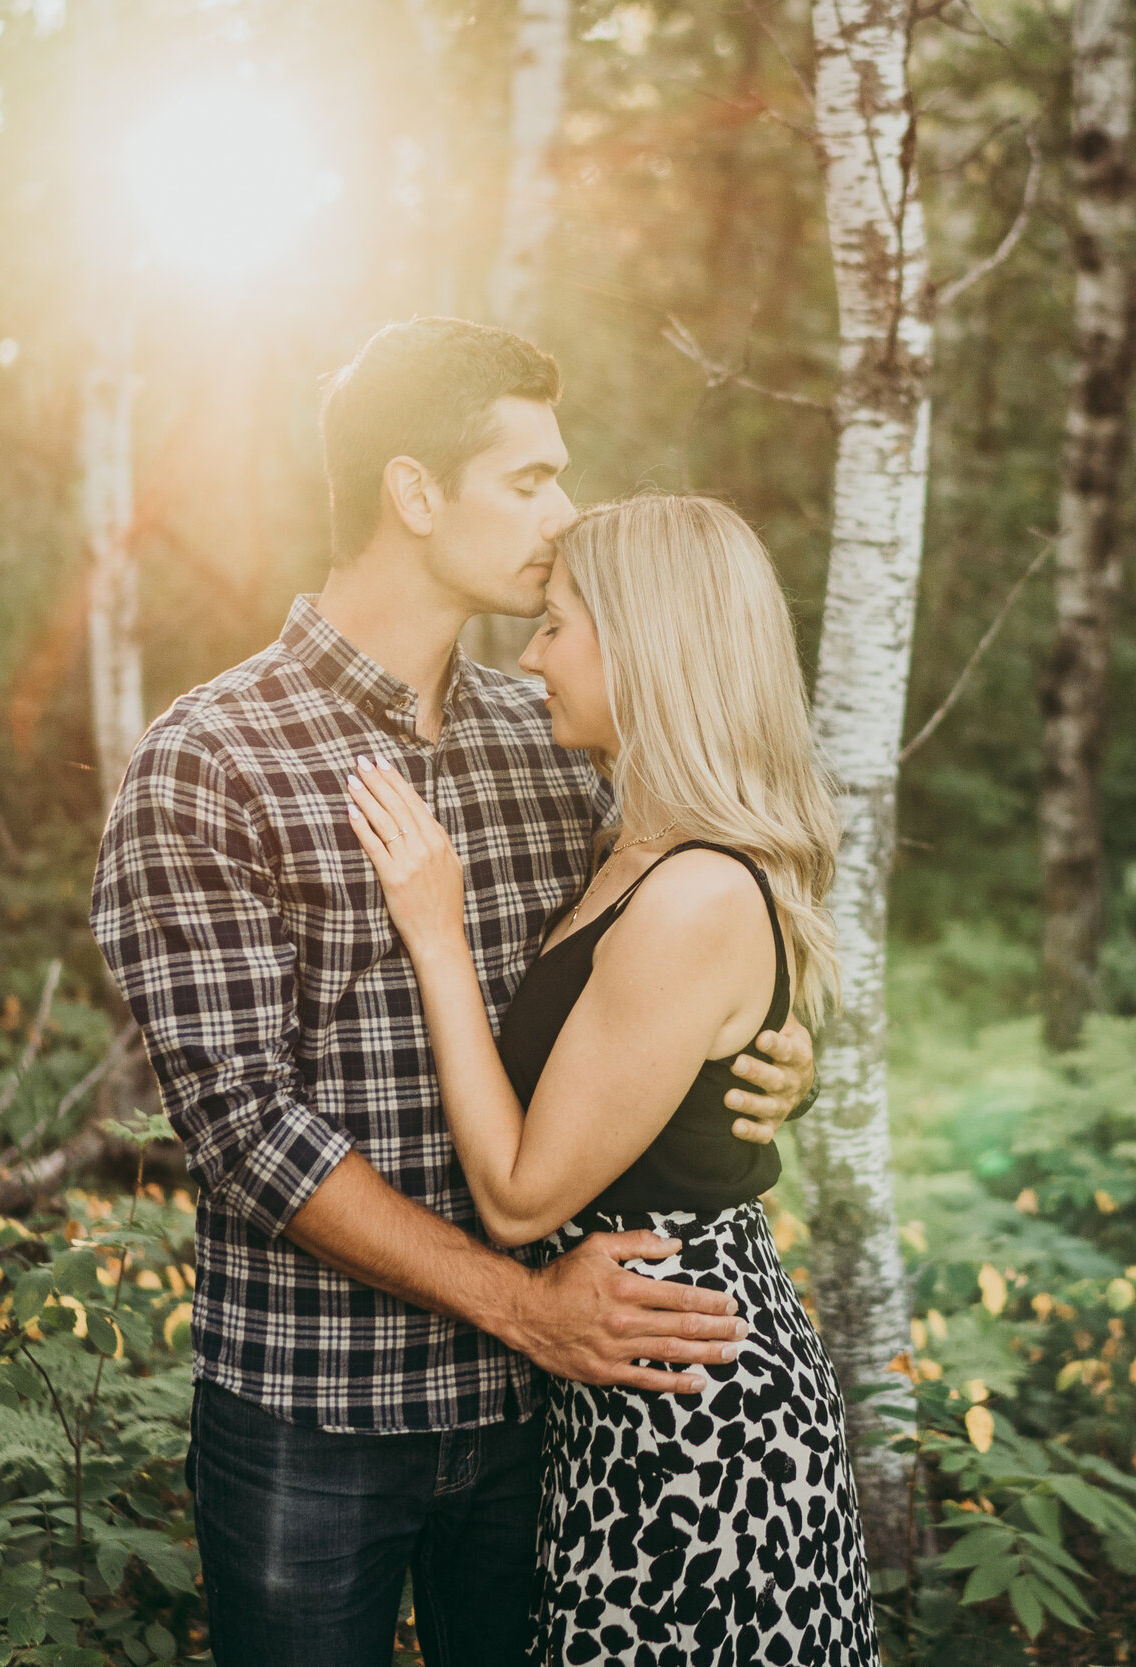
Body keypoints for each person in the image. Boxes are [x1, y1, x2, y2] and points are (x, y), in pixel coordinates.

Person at [89, 319, 819, 1667]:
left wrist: (777, 1054)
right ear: (415, 492)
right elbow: (246, 1125)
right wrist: (519, 1300)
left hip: (547, 1417)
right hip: (317, 1410)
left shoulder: (549, 737)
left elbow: (665, 965)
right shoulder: (212, 756)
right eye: (529, 479)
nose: (566, 511)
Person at [342, 493, 876, 1667]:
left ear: (643, 647)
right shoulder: (626, 837)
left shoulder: (689, 892)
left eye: (557, 622)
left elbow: (523, 1197)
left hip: (699, 1420)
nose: (530, 651)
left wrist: (435, 930)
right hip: (622, 1386)